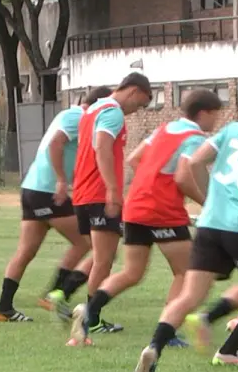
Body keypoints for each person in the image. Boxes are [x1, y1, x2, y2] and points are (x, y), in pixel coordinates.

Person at [65, 89, 222, 346]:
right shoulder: (194, 137)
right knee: (187, 271)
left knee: (131, 272)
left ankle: (88, 312)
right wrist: (208, 203)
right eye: (215, 116)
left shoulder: (164, 129)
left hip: (136, 206)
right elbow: (183, 177)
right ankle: (168, 330)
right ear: (204, 113)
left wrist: (150, 184)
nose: (215, 122)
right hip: (163, 211)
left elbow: (134, 158)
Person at [134, 107, 238, 372]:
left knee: (189, 296)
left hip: (210, 223)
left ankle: (154, 347)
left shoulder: (233, 129)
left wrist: (212, 198)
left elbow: (194, 163)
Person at [0, 88, 113, 321]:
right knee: (87, 243)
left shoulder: (71, 116)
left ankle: (4, 308)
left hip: (34, 187)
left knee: (26, 251)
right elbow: (55, 144)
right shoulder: (77, 117)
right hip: (48, 191)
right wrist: (62, 180)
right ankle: (54, 294)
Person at [65, 72, 153, 335]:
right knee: (103, 260)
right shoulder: (112, 112)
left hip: (84, 193)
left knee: (101, 256)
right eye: (140, 104)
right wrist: (113, 189)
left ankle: (65, 294)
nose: (136, 110)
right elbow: (101, 146)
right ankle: (91, 318)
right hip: (99, 194)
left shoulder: (92, 109)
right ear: (134, 91)